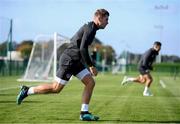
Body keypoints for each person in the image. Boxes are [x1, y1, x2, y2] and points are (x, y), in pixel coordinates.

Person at [16, 9, 109, 121]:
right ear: (99, 18)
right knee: (56, 88)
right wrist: (91, 66)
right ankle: (27, 91)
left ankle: (84, 113)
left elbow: (79, 46)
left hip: (76, 62)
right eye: (106, 19)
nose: (107, 22)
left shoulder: (92, 29)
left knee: (90, 82)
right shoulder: (90, 28)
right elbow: (83, 48)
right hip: (69, 61)